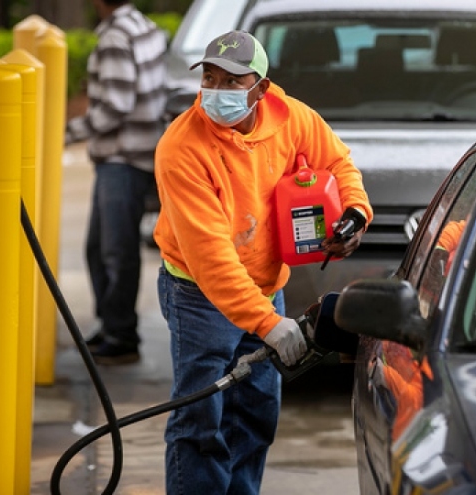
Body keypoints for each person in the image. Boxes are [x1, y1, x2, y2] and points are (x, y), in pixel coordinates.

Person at [153, 30, 373, 494]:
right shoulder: (182, 147)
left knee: (254, 415)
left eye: (233, 81)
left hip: (265, 283)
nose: (217, 91)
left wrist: (355, 213)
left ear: (261, 88)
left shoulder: (291, 118)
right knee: (200, 421)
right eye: (210, 78)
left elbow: (339, 164)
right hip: (198, 295)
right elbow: (210, 257)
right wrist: (267, 322)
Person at [64, 0, 167, 365]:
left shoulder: (115, 37)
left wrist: (64, 132)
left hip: (122, 159)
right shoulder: (145, 26)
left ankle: (121, 335)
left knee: (115, 251)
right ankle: (112, 326)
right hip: (138, 153)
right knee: (101, 249)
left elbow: (115, 106)